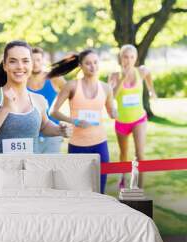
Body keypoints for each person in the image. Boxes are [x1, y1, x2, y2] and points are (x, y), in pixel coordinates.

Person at [0, 40, 71, 154]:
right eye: (13, 61)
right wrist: (5, 109)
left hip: (31, 169)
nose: (20, 66)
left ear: (31, 65)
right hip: (0, 170)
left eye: (25, 61)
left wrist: (59, 130)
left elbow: (44, 125)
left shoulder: (38, 99)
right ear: (5, 66)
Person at [49, 50, 117, 194]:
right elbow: (53, 111)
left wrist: (114, 93)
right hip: (77, 145)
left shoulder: (106, 88)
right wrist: (74, 121)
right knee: (77, 191)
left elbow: (112, 114)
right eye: (88, 63)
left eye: (95, 62)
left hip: (100, 145)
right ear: (80, 65)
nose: (93, 66)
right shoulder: (72, 86)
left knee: (99, 190)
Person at [108, 44, 157, 189]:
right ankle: (123, 176)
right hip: (122, 122)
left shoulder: (141, 71)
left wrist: (151, 90)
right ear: (120, 58)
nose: (128, 60)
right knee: (123, 154)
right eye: (125, 57)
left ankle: (139, 188)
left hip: (139, 119)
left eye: (131, 57)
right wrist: (122, 79)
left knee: (140, 154)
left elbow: (148, 74)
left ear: (135, 58)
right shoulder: (114, 75)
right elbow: (112, 97)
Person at [27, 47, 67, 153]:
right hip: (29, 134)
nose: (35, 63)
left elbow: (72, 94)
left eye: (38, 60)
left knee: (51, 168)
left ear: (43, 61)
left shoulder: (55, 78)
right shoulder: (22, 80)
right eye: (32, 60)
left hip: (53, 133)